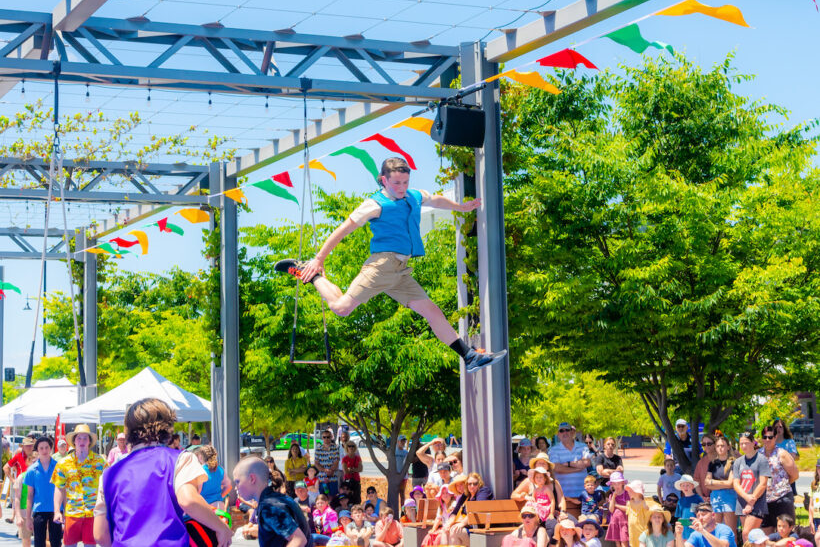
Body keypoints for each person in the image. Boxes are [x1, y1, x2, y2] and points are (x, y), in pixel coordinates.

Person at [274, 157, 505, 373]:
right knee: (342, 308)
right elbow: (344, 229)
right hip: (381, 266)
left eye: (405, 181)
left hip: (401, 272)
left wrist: (460, 207)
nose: (402, 186)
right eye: (396, 182)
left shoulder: (413, 196)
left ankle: (469, 357)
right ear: (384, 180)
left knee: (432, 312)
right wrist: (319, 259)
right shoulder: (374, 204)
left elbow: (434, 199)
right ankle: (310, 274)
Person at [92, 398, 232, 547]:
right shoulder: (180, 459)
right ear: (167, 425)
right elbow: (189, 500)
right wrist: (221, 528)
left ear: (129, 430)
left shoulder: (109, 474)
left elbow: (100, 534)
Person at [233, 456, 313, 547]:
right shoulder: (277, 499)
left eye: (237, 481)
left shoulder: (269, 508)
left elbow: (299, 539)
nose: (235, 487)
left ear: (252, 479)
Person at [53, 424, 106, 547]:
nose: (82, 441)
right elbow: (59, 488)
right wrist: (56, 511)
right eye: (79, 438)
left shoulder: (100, 462)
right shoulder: (63, 463)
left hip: (93, 513)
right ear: (74, 441)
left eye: (85, 438)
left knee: (90, 545)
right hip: (72, 512)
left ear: (90, 441)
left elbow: (107, 485)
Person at [758, 425, 798, 535]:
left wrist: (781, 485)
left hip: (782, 497)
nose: (767, 440)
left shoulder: (782, 453)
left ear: (775, 437)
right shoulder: (758, 455)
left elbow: (795, 475)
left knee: (785, 533)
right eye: (765, 437)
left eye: (770, 437)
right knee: (766, 535)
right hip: (764, 500)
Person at [732, 432, 770, 542]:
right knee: (750, 538)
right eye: (741, 444)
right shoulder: (738, 462)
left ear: (753, 443)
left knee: (747, 533)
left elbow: (763, 483)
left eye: (747, 443)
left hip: (757, 502)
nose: (744, 446)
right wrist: (746, 497)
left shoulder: (761, 460)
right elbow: (736, 483)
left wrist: (751, 501)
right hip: (742, 502)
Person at [24, 436, 62, 547]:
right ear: (37, 450)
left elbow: (63, 490)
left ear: (51, 448)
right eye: (41, 448)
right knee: (39, 543)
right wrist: (28, 518)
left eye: (47, 447)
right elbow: (29, 496)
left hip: (56, 510)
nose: (44, 450)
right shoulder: (31, 470)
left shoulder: (59, 467)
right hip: (39, 510)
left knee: (56, 542)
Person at [447, 472, 493, 546]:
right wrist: (448, 524)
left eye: (475, 484)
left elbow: (477, 507)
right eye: (469, 484)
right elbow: (455, 511)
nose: (472, 486)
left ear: (479, 484)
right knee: (448, 530)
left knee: (455, 531)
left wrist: (462, 523)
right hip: (470, 527)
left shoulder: (483, 491)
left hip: (481, 529)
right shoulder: (466, 495)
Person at [550, 423, 592, 504]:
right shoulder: (554, 450)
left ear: (572, 432)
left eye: (567, 430)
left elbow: (586, 462)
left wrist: (568, 464)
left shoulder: (583, 446)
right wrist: (577, 468)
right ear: (558, 434)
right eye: (561, 431)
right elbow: (557, 468)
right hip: (563, 497)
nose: (564, 432)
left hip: (584, 494)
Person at [704, 436, 737, 539]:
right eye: (718, 446)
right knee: (716, 530)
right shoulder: (712, 463)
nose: (720, 448)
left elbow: (730, 484)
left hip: (729, 499)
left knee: (730, 532)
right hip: (715, 499)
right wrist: (723, 483)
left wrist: (713, 482)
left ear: (728, 447)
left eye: (722, 445)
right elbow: (706, 483)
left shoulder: (733, 462)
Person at [195, 445, 232, 509]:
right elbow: (229, 486)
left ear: (200, 457)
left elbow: (198, 490)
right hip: (219, 506)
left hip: (205, 507)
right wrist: (219, 497)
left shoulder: (200, 470)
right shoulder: (220, 469)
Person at [674, 475, 703, 541]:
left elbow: (702, 514)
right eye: (683, 485)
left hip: (695, 528)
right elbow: (679, 517)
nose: (685, 487)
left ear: (692, 486)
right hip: (684, 530)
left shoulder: (698, 499)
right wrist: (676, 532)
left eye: (688, 485)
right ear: (680, 487)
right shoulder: (680, 501)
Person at [626, 480, 654, 547]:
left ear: (636, 491)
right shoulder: (629, 503)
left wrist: (645, 505)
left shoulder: (644, 504)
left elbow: (649, 511)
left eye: (630, 490)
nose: (628, 492)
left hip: (642, 533)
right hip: (632, 533)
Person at [607, 471, 630, 547]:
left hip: (624, 521)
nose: (617, 486)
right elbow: (611, 510)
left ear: (623, 483)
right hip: (615, 521)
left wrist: (616, 505)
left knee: (624, 541)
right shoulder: (611, 496)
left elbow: (628, 508)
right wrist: (613, 497)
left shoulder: (626, 494)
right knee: (617, 543)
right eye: (614, 484)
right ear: (612, 485)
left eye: (618, 483)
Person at [315, 430, 340, 497]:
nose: (326, 439)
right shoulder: (318, 449)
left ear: (331, 437)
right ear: (322, 438)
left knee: (333, 498)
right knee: (322, 497)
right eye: (324, 437)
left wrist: (330, 471)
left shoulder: (335, 448)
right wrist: (324, 470)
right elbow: (316, 463)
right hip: (322, 478)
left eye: (328, 437)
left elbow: (336, 462)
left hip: (333, 477)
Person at [693, 435, 717, 500]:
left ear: (715, 444)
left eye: (709, 444)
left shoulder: (721, 459)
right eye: (704, 444)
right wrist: (702, 497)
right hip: (705, 499)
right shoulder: (701, 462)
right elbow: (696, 481)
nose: (706, 446)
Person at [394, 436, 409, 500]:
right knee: (395, 493)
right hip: (395, 475)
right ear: (398, 441)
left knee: (402, 493)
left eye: (404, 441)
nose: (403, 442)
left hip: (404, 476)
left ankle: (403, 509)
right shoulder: (393, 451)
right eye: (401, 441)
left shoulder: (406, 452)